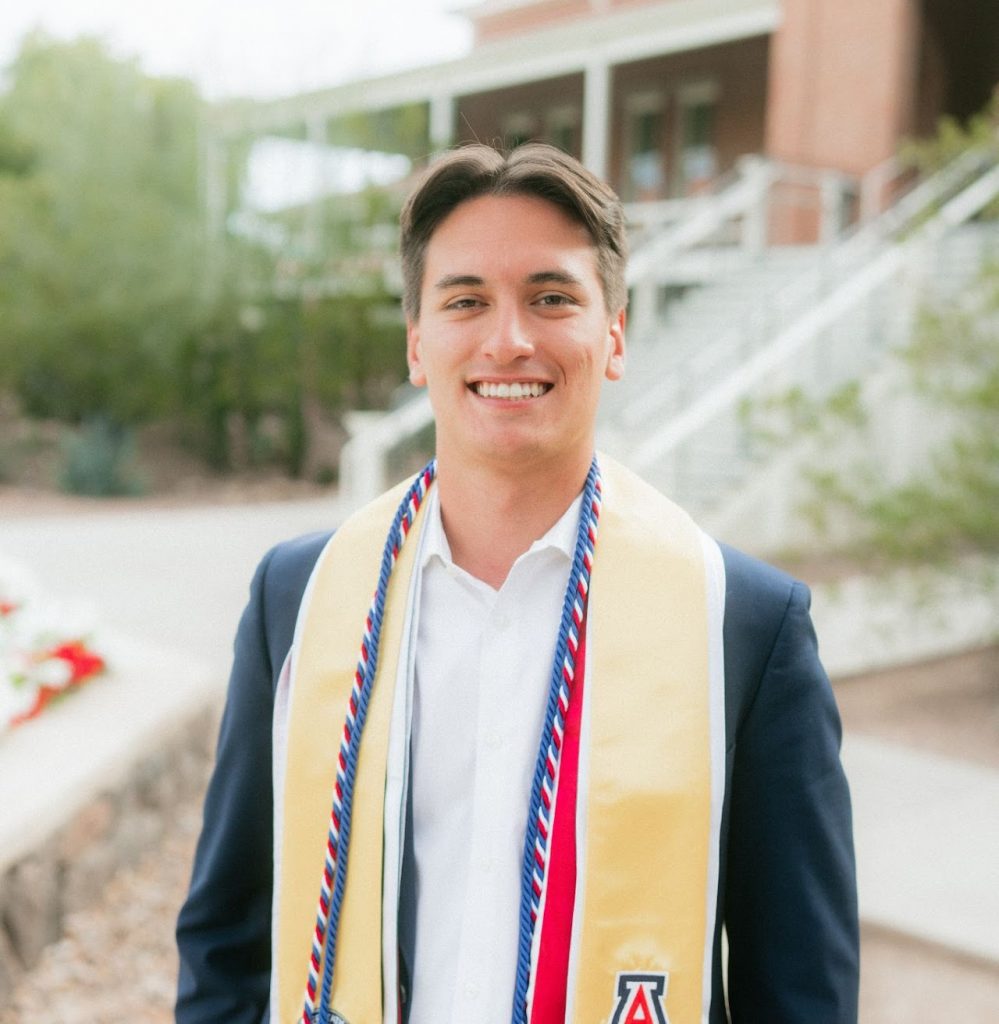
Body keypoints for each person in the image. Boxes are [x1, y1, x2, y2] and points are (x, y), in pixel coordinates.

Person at [175, 144, 858, 1024]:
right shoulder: (298, 599)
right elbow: (227, 937)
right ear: (418, 343)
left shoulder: (741, 625)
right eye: (465, 301)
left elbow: (800, 987)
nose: (508, 339)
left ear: (612, 334)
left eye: (551, 297)